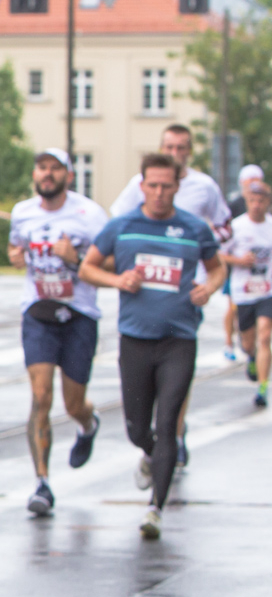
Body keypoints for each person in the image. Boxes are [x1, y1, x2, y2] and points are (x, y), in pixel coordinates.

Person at [80, 153, 224, 540]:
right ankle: (148, 453)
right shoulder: (123, 226)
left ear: (177, 187)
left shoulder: (194, 228)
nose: (159, 193)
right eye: (153, 185)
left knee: (168, 422)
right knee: (137, 427)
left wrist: (208, 289)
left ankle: (155, 508)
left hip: (179, 339)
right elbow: (87, 267)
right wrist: (119, 281)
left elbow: (217, 268)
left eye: (166, 186)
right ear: (142, 186)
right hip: (136, 340)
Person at [109, 125, 230, 468]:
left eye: (181, 148)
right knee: (143, 382)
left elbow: (224, 226)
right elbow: (118, 223)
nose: (175, 153)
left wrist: (199, 244)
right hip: (145, 292)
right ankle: (157, 439)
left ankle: (173, 433)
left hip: (186, 292)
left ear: (189, 152)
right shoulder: (142, 184)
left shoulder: (204, 186)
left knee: (177, 370)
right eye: (169, 147)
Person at [6, 148, 107, 518]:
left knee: (73, 403)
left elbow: (111, 261)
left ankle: (87, 424)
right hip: (38, 311)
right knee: (40, 395)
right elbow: (16, 245)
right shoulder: (23, 212)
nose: (47, 174)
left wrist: (75, 259)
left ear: (68, 175)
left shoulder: (89, 214)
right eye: (41, 167)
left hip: (79, 313)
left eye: (54, 168)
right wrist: (15, 256)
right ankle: (42, 483)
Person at [218, 179, 272, 408]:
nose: (257, 205)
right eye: (252, 201)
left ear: (267, 203)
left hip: (267, 290)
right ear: (247, 202)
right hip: (243, 291)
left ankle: (263, 387)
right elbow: (219, 254)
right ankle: (251, 356)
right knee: (249, 343)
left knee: (265, 335)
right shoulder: (237, 226)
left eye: (261, 201)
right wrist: (239, 261)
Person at [222, 164, 262, 362]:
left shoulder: (265, 202)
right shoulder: (234, 206)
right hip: (238, 266)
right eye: (249, 179)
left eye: (256, 179)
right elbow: (222, 246)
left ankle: (257, 345)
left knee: (263, 319)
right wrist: (237, 259)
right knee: (233, 306)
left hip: (262, 270)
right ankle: (229, 342)